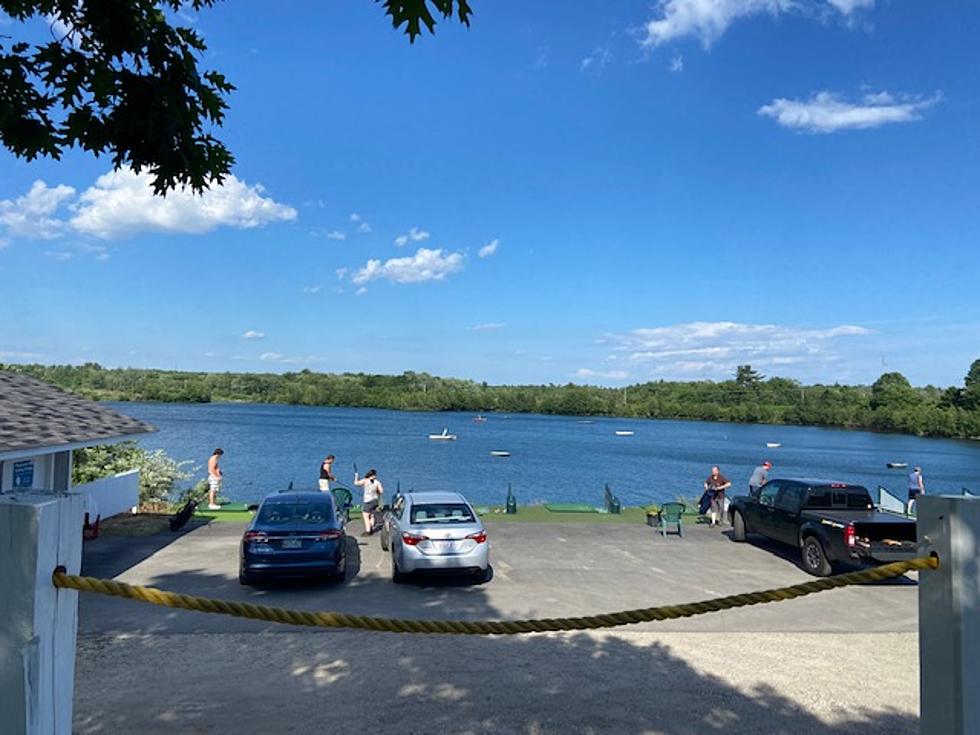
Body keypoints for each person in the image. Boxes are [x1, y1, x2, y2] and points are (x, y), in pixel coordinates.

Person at [353, 468, 384, 536]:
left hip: (368, 501)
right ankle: (371, 528)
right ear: (374, 475)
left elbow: (356, 483)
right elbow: (381, 491)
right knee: (372, 515)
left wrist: (356, 476)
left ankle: (368, 531)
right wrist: (376, 492)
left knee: (366, 516)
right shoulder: (377, 482)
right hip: (375, 500)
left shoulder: (365, 481)